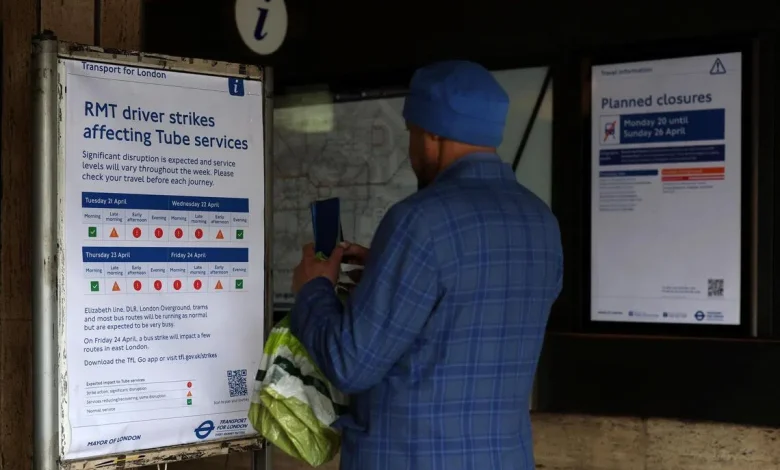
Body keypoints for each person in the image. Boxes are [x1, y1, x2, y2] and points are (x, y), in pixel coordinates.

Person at [290, 60, 563, 470]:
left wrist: (314, 289)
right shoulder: (542, 221)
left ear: (433, 134)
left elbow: (349, 364)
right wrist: (385, 272)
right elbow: (470, 313)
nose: (411, 149)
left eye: (411, 133)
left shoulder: (419, 219)